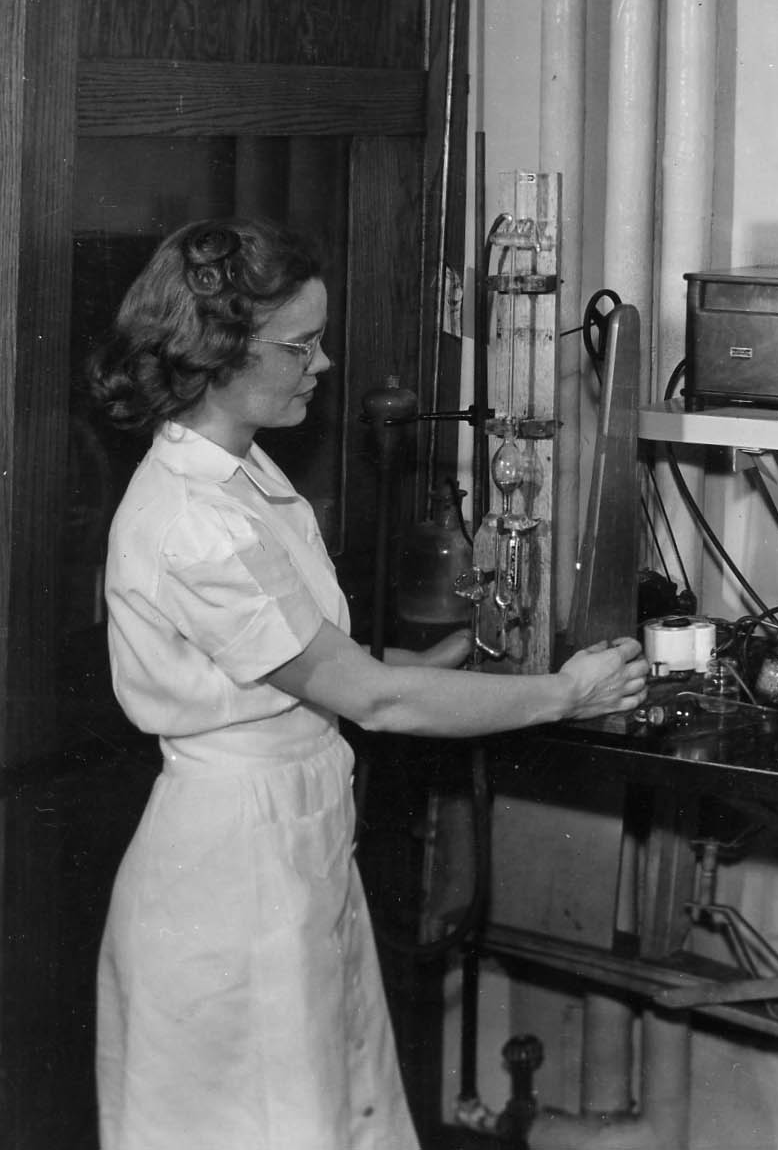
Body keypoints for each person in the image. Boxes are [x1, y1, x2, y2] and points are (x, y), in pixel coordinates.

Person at [85, 216, 649, 1150]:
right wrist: (567, 694)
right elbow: (373, 700)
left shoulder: (244, 478)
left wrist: (475, 642)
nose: (323, 363)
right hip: (230, 880)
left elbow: (334, 677)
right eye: (299, 345)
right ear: (215, 355)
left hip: (293, 854)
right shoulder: (192, 520)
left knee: (332, 1119)